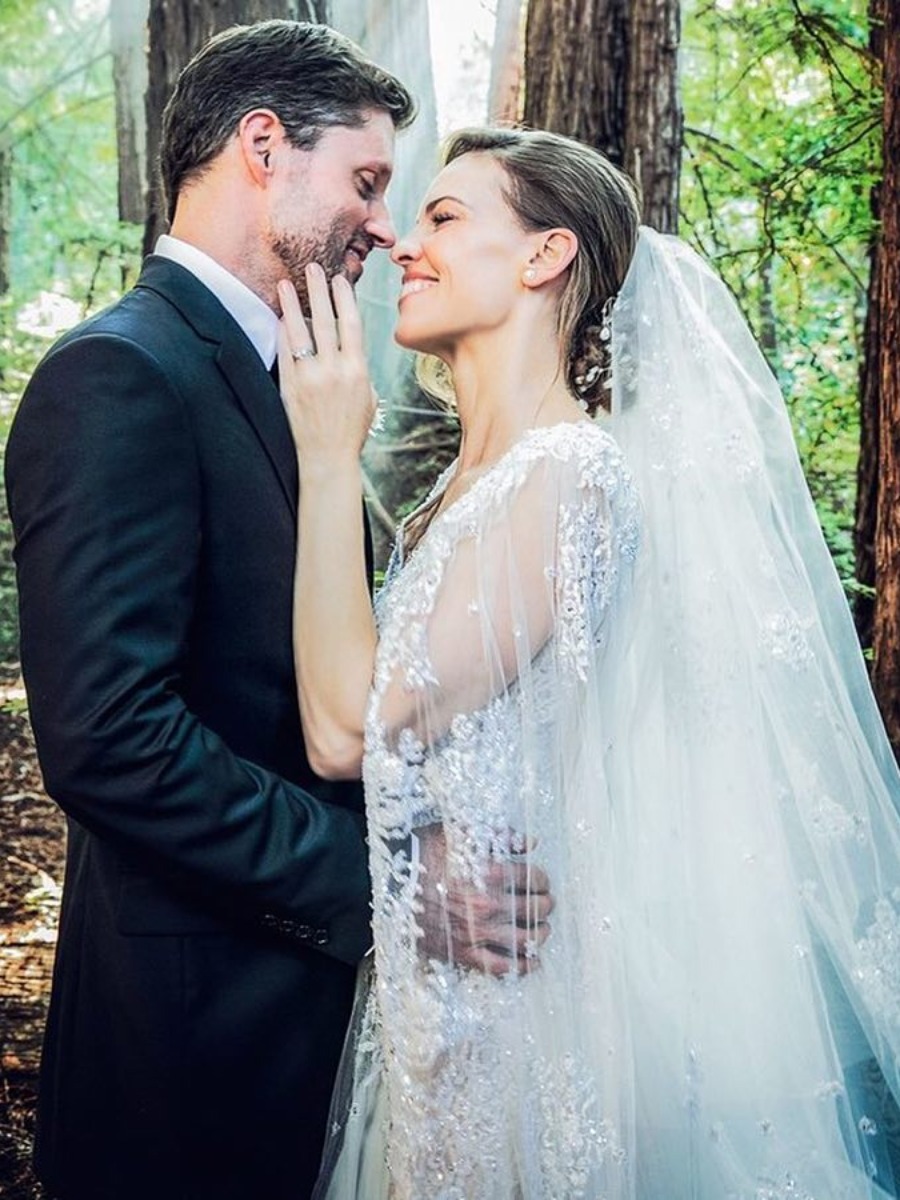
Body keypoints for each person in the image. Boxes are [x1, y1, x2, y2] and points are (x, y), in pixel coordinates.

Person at [278, 126, 900, 1198]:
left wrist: (328, 457)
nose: (403, 248)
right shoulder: (453, 496)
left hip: (521, 1025)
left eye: (444, 218)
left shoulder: (572, 479)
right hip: (438, 1006)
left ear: (544, 256)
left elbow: (347, 731)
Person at [4, 25, 549, 1200]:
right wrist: (390, 882)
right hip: (194, 1033)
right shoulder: (119, 374)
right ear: (263, 146)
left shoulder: (298, 383)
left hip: (314, 1021)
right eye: (363, 181)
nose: (382, 226)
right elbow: (110, 743)